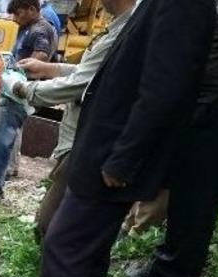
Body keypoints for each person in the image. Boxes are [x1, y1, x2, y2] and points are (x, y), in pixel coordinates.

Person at [23, 0, 216, 277]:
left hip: (112, 155)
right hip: (103, 148)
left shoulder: (183, 7)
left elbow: (166, 88)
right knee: (87, 252)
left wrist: (124, 159)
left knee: (66, 246)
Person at [125, 0, 218, 277]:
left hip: (217, 106)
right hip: (204, 105)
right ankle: (164, 266)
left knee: (196, 200)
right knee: (183, 195)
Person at [7, 0, 135, 239]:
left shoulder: (128, 30)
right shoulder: (119, 26)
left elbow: (81, 83)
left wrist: (22, 89)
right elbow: (89, 71)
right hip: (81, 140)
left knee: (49, 226)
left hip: (85, 142)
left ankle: (52, 270)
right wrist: (48, 68)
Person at [0, 0, 57, 200]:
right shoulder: (29, 27)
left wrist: (16, 71)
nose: (14, 18)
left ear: (31, 10)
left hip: (18, 92)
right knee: (5, 139)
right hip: (16, 90)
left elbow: (40, 60)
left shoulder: (39, 30)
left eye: (18, 14)